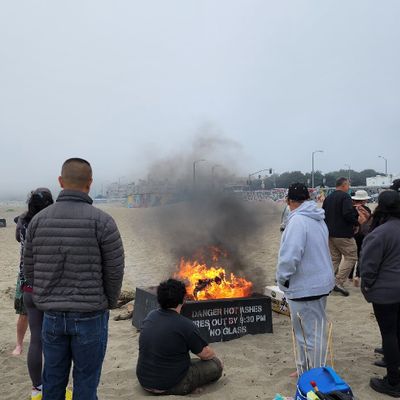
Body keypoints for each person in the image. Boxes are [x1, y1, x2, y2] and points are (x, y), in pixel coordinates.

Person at [24, 158, 125, 400]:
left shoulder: (38, 221)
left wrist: (43, 297)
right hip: (91, 314)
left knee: (53, 380)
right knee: (86, 383)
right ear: (90, 183)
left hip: (52, 315)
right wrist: (109, 302)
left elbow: (29, 268)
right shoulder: (103, 221)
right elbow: (115, 270)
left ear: (60, 181)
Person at [276, 183, 335, 375]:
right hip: (319, 283)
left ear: (288, 201)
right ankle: (303, 369)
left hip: (306, 286)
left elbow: (290, 257)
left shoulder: (298, 221)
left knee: (311, 335)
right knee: (303, 332)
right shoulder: (317, 218)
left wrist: (282, 279)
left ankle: (316, 374)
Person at [136, 278, 223, 395]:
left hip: (144, 381)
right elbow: (207, 354)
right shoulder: (185, 324)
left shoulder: (150, 316)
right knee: (216, 364)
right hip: (170, 385)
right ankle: (187, 387)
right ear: (183, 299)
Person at [359, 190, 400, 396]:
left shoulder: (380, 233)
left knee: (389, 335)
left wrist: (367, 286)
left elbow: (368, 267)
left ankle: (393, 382)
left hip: (386, 294)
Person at [322, 177, 368, 296]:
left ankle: (326, 282)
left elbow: (323, 214)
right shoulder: (345, 197)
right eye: (348, 185)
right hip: (343, 233)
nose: (349, 187)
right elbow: (347, 214)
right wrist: (356, 223)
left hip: (330, 233)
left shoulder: (328, 198)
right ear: (344, 185)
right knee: (351, 256)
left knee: (334, 258)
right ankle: (338, 281)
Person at [348, 190, 372, 286]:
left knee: (352, 255)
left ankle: (350, 276)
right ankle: (358, 275)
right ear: (364, 200)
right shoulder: (366, 209)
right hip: (364, 234)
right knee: (361, 255)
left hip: (353, 233)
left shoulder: (351, 209)